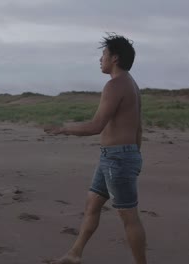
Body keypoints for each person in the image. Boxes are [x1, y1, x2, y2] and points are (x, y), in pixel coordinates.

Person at [44, 33, 147, 264]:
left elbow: (96, 126)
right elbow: (138, 128)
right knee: (92, 204)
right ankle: (75, 254)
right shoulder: (131, 84)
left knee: (129, 217)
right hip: (116, 157)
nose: (100, 59)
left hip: (117, 160)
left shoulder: (114, 85)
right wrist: (135, 156)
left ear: (115, 58)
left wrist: (64, 128)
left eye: (103, 54)